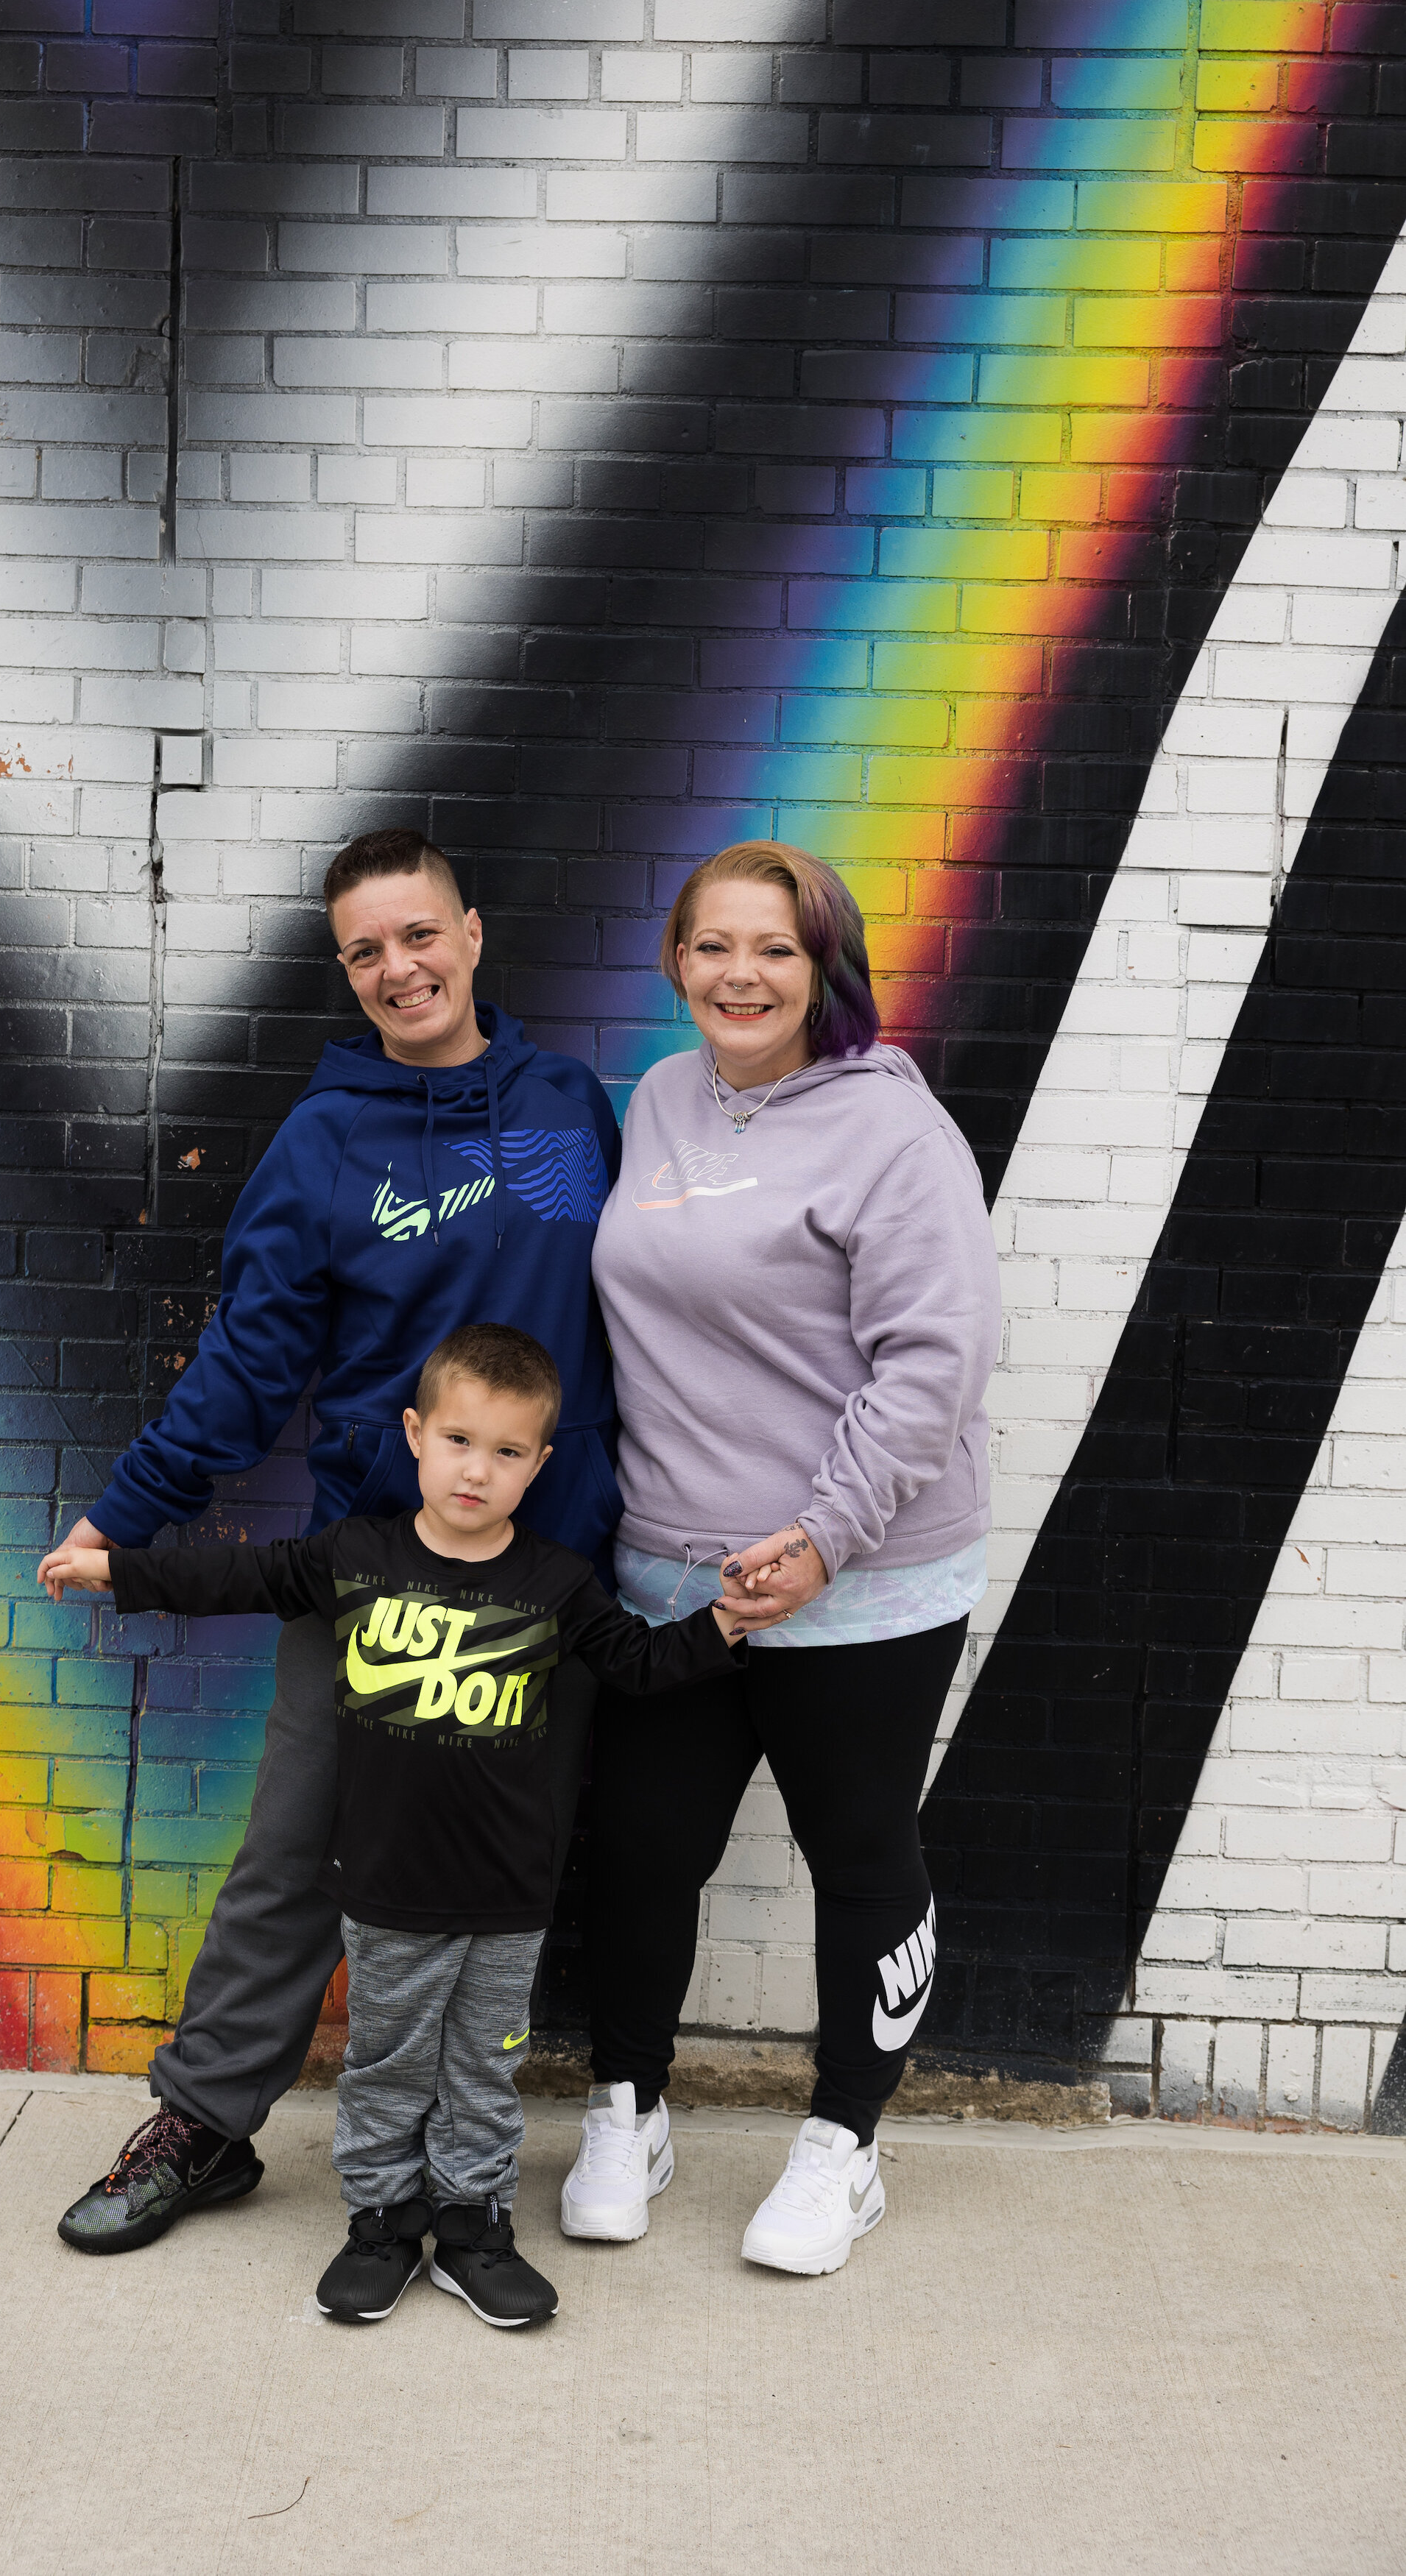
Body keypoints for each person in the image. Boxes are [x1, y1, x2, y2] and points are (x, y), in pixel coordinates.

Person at [49, 827, 627, 2255]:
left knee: (517, 1871)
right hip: (375, 1565)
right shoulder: (324, 1144)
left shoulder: (567, 1110)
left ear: (473, 933)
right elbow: (248, 1368)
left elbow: (643, 1323)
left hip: (548, 1578)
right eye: (366, 950)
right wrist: (127, 1515)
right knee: (299, 1853)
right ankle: (205, 2122)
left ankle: (474, 2160)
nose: (398, 967)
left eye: (419, 934)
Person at [40, 1326, 741, 2327]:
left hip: (503, 1901)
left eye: (506, 1453)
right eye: (457, 1441)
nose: (476, 1470)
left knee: (482, 2073)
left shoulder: (554, 1585)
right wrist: (119, 1568)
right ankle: (378, 2226)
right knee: (386, 2069)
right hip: (384, 1891)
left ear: (541, 1464)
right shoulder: (353, 1558)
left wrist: (724, 1625)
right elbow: (234, 1582)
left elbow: (637, 1664)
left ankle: (469, 2230)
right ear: (413, 1436)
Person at [562, 840, 1003, 2277]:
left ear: (825, 968)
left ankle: (844, 2142)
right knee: (638, 1851)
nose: (741, 975)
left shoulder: (894, 1132)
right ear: (677, 962)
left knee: (859, 1853)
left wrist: (824, 1538)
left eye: (775, 949)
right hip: (672, 1580)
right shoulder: (664, 1100)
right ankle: (627, 2105)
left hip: (862, 1584)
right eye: (714, 947)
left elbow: (934, 1363)